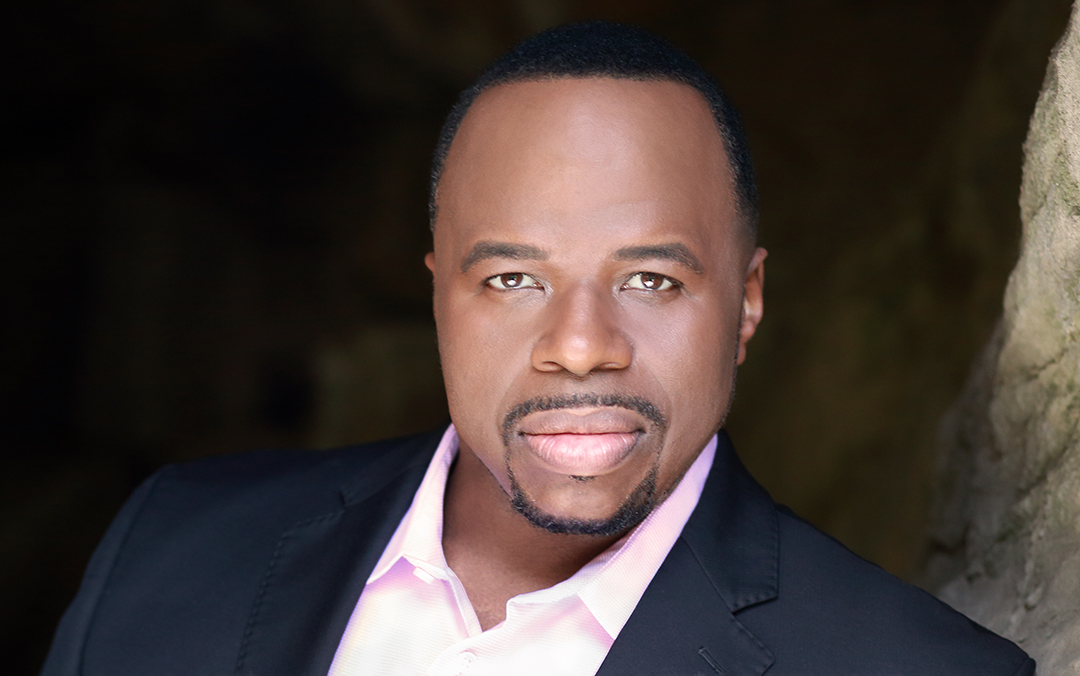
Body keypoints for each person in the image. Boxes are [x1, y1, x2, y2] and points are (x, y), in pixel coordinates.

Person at [43, 21, 1035, 676]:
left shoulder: (917, 668)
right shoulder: (170, 545)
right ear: (438, 294)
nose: (581, 346)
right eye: (513, 279)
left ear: (747, 302)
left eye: (651, 279)